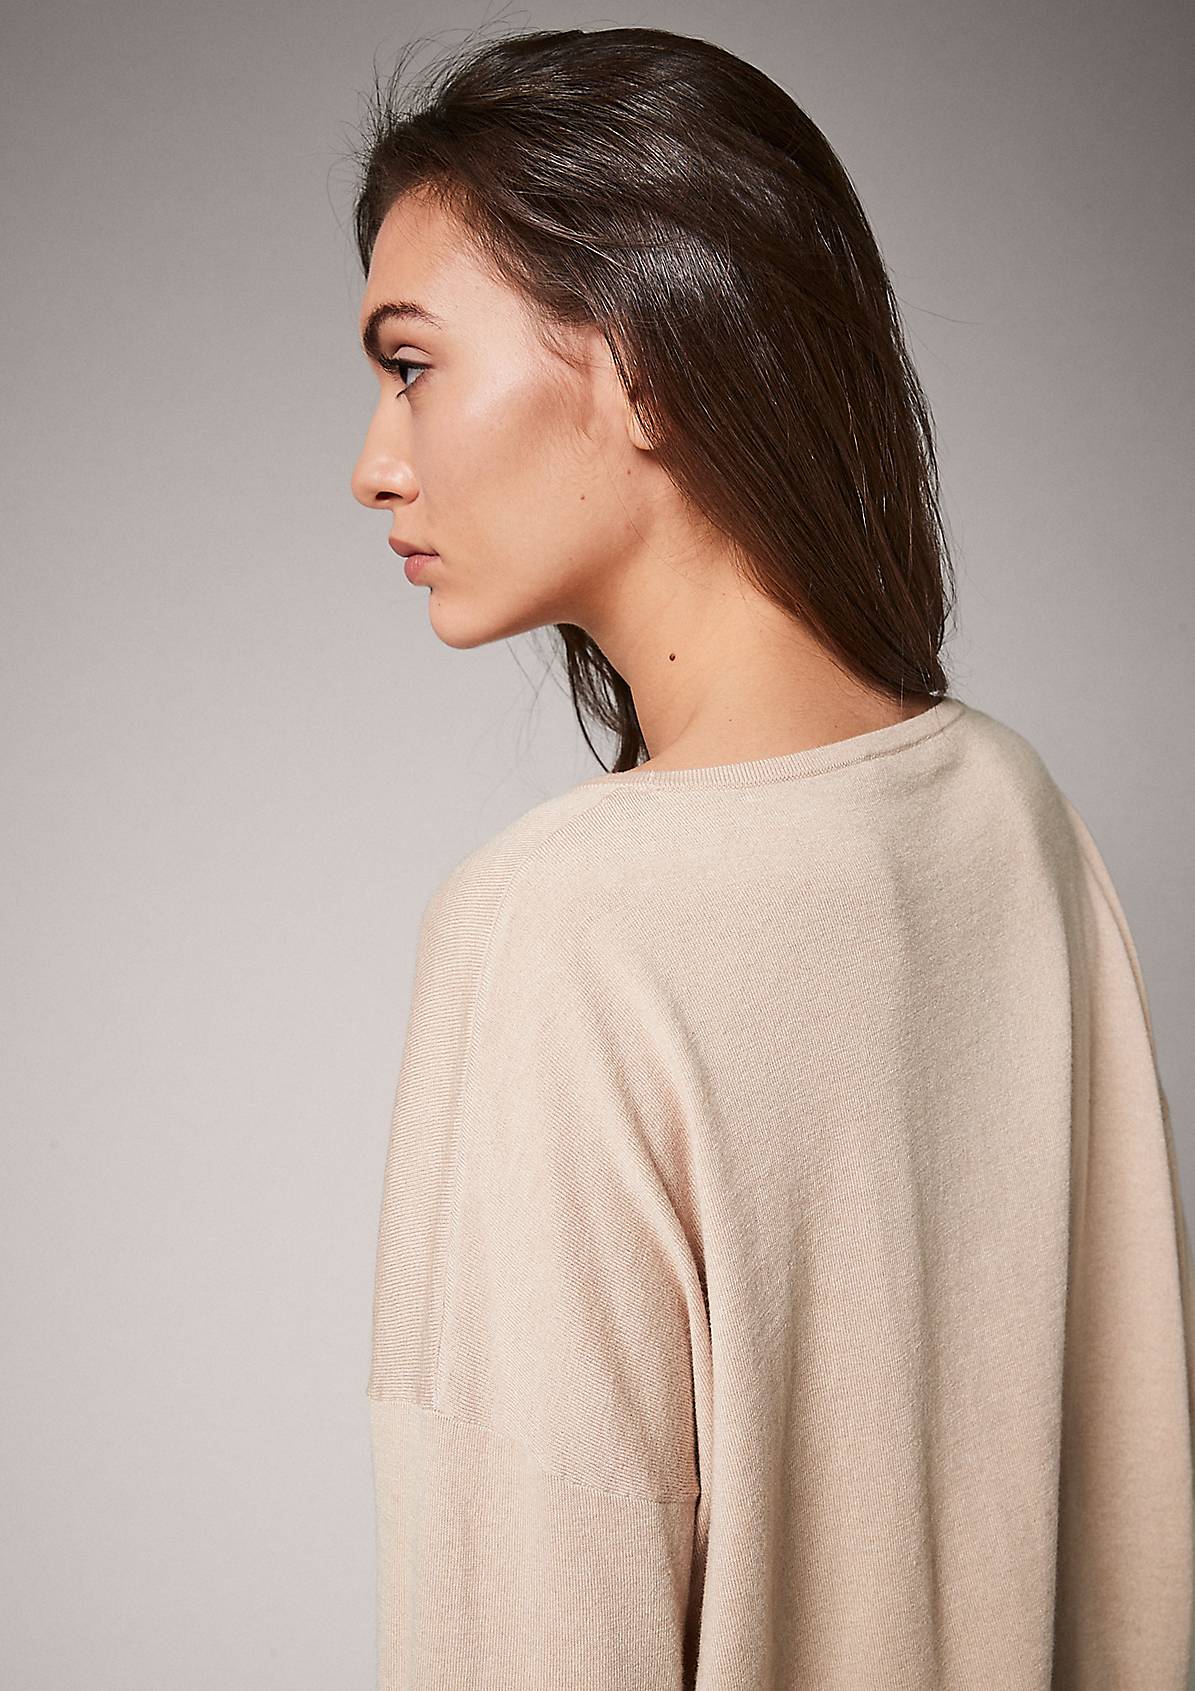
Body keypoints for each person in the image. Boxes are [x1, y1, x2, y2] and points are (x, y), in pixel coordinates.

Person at [347, 25, 1195, 1690]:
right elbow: (1135, 1525)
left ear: (640, 360)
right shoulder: (1014, 816)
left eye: (412, 365)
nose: (375, 462)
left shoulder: (554, 930)